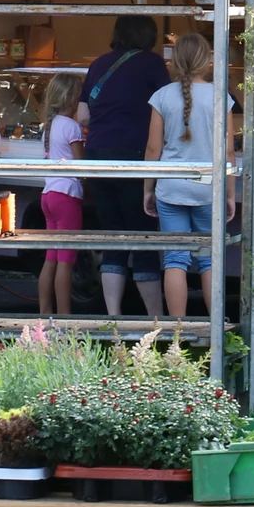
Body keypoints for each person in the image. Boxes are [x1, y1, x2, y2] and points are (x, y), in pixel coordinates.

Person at [77, 16, 170, 317]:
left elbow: (82, 117)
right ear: (150, 36)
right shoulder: (153, 64)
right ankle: (155, 323)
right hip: (134, 153)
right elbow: (169, 107)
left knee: (113, 235)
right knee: (143, 237)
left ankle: (113, 319)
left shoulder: (98, 64)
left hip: (98, 155)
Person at [142, 32, 236, 318]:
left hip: (170, 188)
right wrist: (231, 194)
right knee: (208, 261)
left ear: (175, 60)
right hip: (209, 189)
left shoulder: (161, 97)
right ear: (207, 60)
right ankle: (214, 329)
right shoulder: (220, 96)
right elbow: (229, 152)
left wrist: (148, 189)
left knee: (175, 259)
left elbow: (152, 148)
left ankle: (177, 333)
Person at [37, 73, 85, 316]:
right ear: (70, 98)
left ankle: (45, 314)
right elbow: (81, 165)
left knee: (51, 257)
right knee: (67, 258)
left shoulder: (50, 125)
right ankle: (65, 318)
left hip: (48, 193)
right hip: (67, 194)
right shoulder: (72, 127)